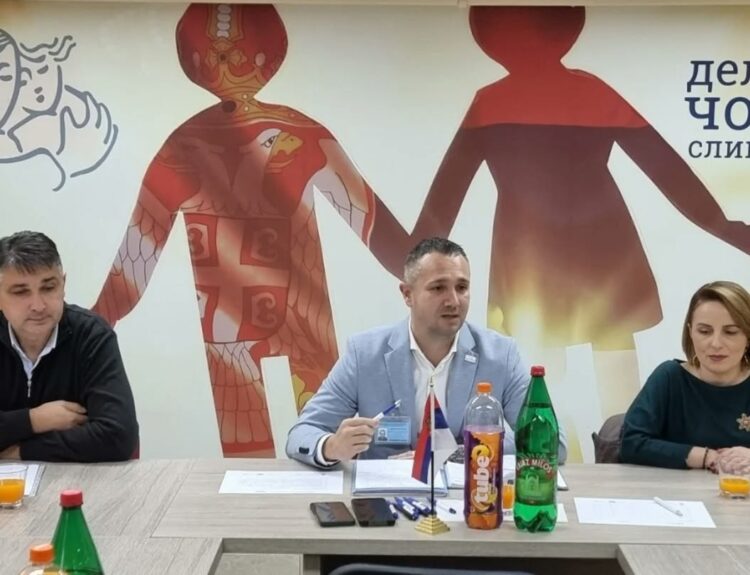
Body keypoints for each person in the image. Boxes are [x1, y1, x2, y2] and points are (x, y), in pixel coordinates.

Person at [93, 4, 395, 457]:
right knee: (261, 459)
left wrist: (98, 319)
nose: (226, 60)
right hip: (253, 320)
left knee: (313, 448)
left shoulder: (193, 142)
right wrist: (95, 323)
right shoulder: (293, 133)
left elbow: (139, 248)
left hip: (265, 318)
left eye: (235, 52)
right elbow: (140, 247)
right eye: (216, 52)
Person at [286, 237, 568, 468]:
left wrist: (455, 455)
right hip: (384, 502)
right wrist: (332, 447)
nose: (453, 300)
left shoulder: (501, 355)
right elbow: (301, 434)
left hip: (469, 500)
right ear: (407, 294)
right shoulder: (364, 354)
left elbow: (553, 444)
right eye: (438, 288)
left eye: (462, 287)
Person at [0, 231, 138, 462]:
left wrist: (23, 452)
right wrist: (35, 420)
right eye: (21, 292)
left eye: (48, 288)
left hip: (79, 480)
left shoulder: (92, 334)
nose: (38, 305)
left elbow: (118, 435)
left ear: (63, 285)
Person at [620, 281, 750, 470]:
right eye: (704, 331)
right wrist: (707, 457)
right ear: (690, 333)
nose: (715, 343)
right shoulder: (669, 377)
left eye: (730, 332)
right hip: (672, 488)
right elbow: (631, 443)